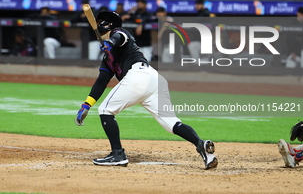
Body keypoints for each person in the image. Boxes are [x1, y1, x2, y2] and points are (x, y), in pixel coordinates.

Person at [75, 11, 218, 170]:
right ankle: (201, 144)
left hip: (139, 77)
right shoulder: (107, 57)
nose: (98, 24)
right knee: (172, 123)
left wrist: (110, 43)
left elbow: (119, 37)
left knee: (106, 109)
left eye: (100, 21)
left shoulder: (119, 33)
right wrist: (86, 104)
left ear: (107, 25)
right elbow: (101, 81)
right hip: (154, 80)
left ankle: (118, 154)